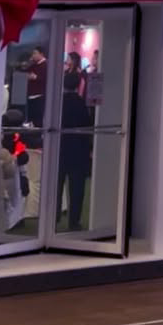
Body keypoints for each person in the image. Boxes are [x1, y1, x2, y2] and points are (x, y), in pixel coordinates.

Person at [57, 73, 93, 232]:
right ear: (79, 85)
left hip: (59, 149)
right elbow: (87, 127)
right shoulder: (81, 104)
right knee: (77, 188)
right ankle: (74, 221)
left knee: (56, 186)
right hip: (78, 151)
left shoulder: (57, 102)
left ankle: (53, 216)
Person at [26, 46, 47, 127]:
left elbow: (46, 79)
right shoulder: (34, 65)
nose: (33, 55)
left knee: (37, 119)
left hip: (39, 95)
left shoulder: (46, 65)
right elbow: (25, 69)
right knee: (30, 119)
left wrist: (36, 77)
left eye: (35, 53)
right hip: (31, 95)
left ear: (41, 54)